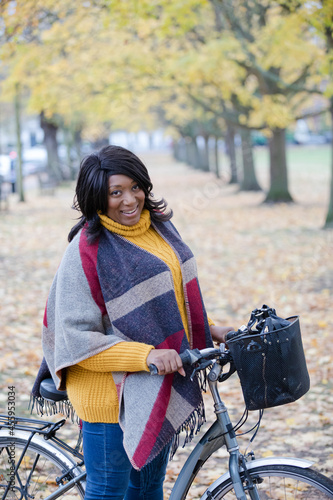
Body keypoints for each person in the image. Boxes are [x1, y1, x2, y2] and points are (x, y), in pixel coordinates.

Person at [40, 145, 233, 500]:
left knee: (146, 491)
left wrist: (211, 329)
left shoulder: (159, 228)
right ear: (97, 197)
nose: (129, 200)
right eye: (115, 192)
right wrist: (145, 356)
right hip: (108, 391)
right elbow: (73, 340)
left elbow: (164, 300)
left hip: (155, 382)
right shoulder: (86, 250)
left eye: (135, 188)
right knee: (108, 492)